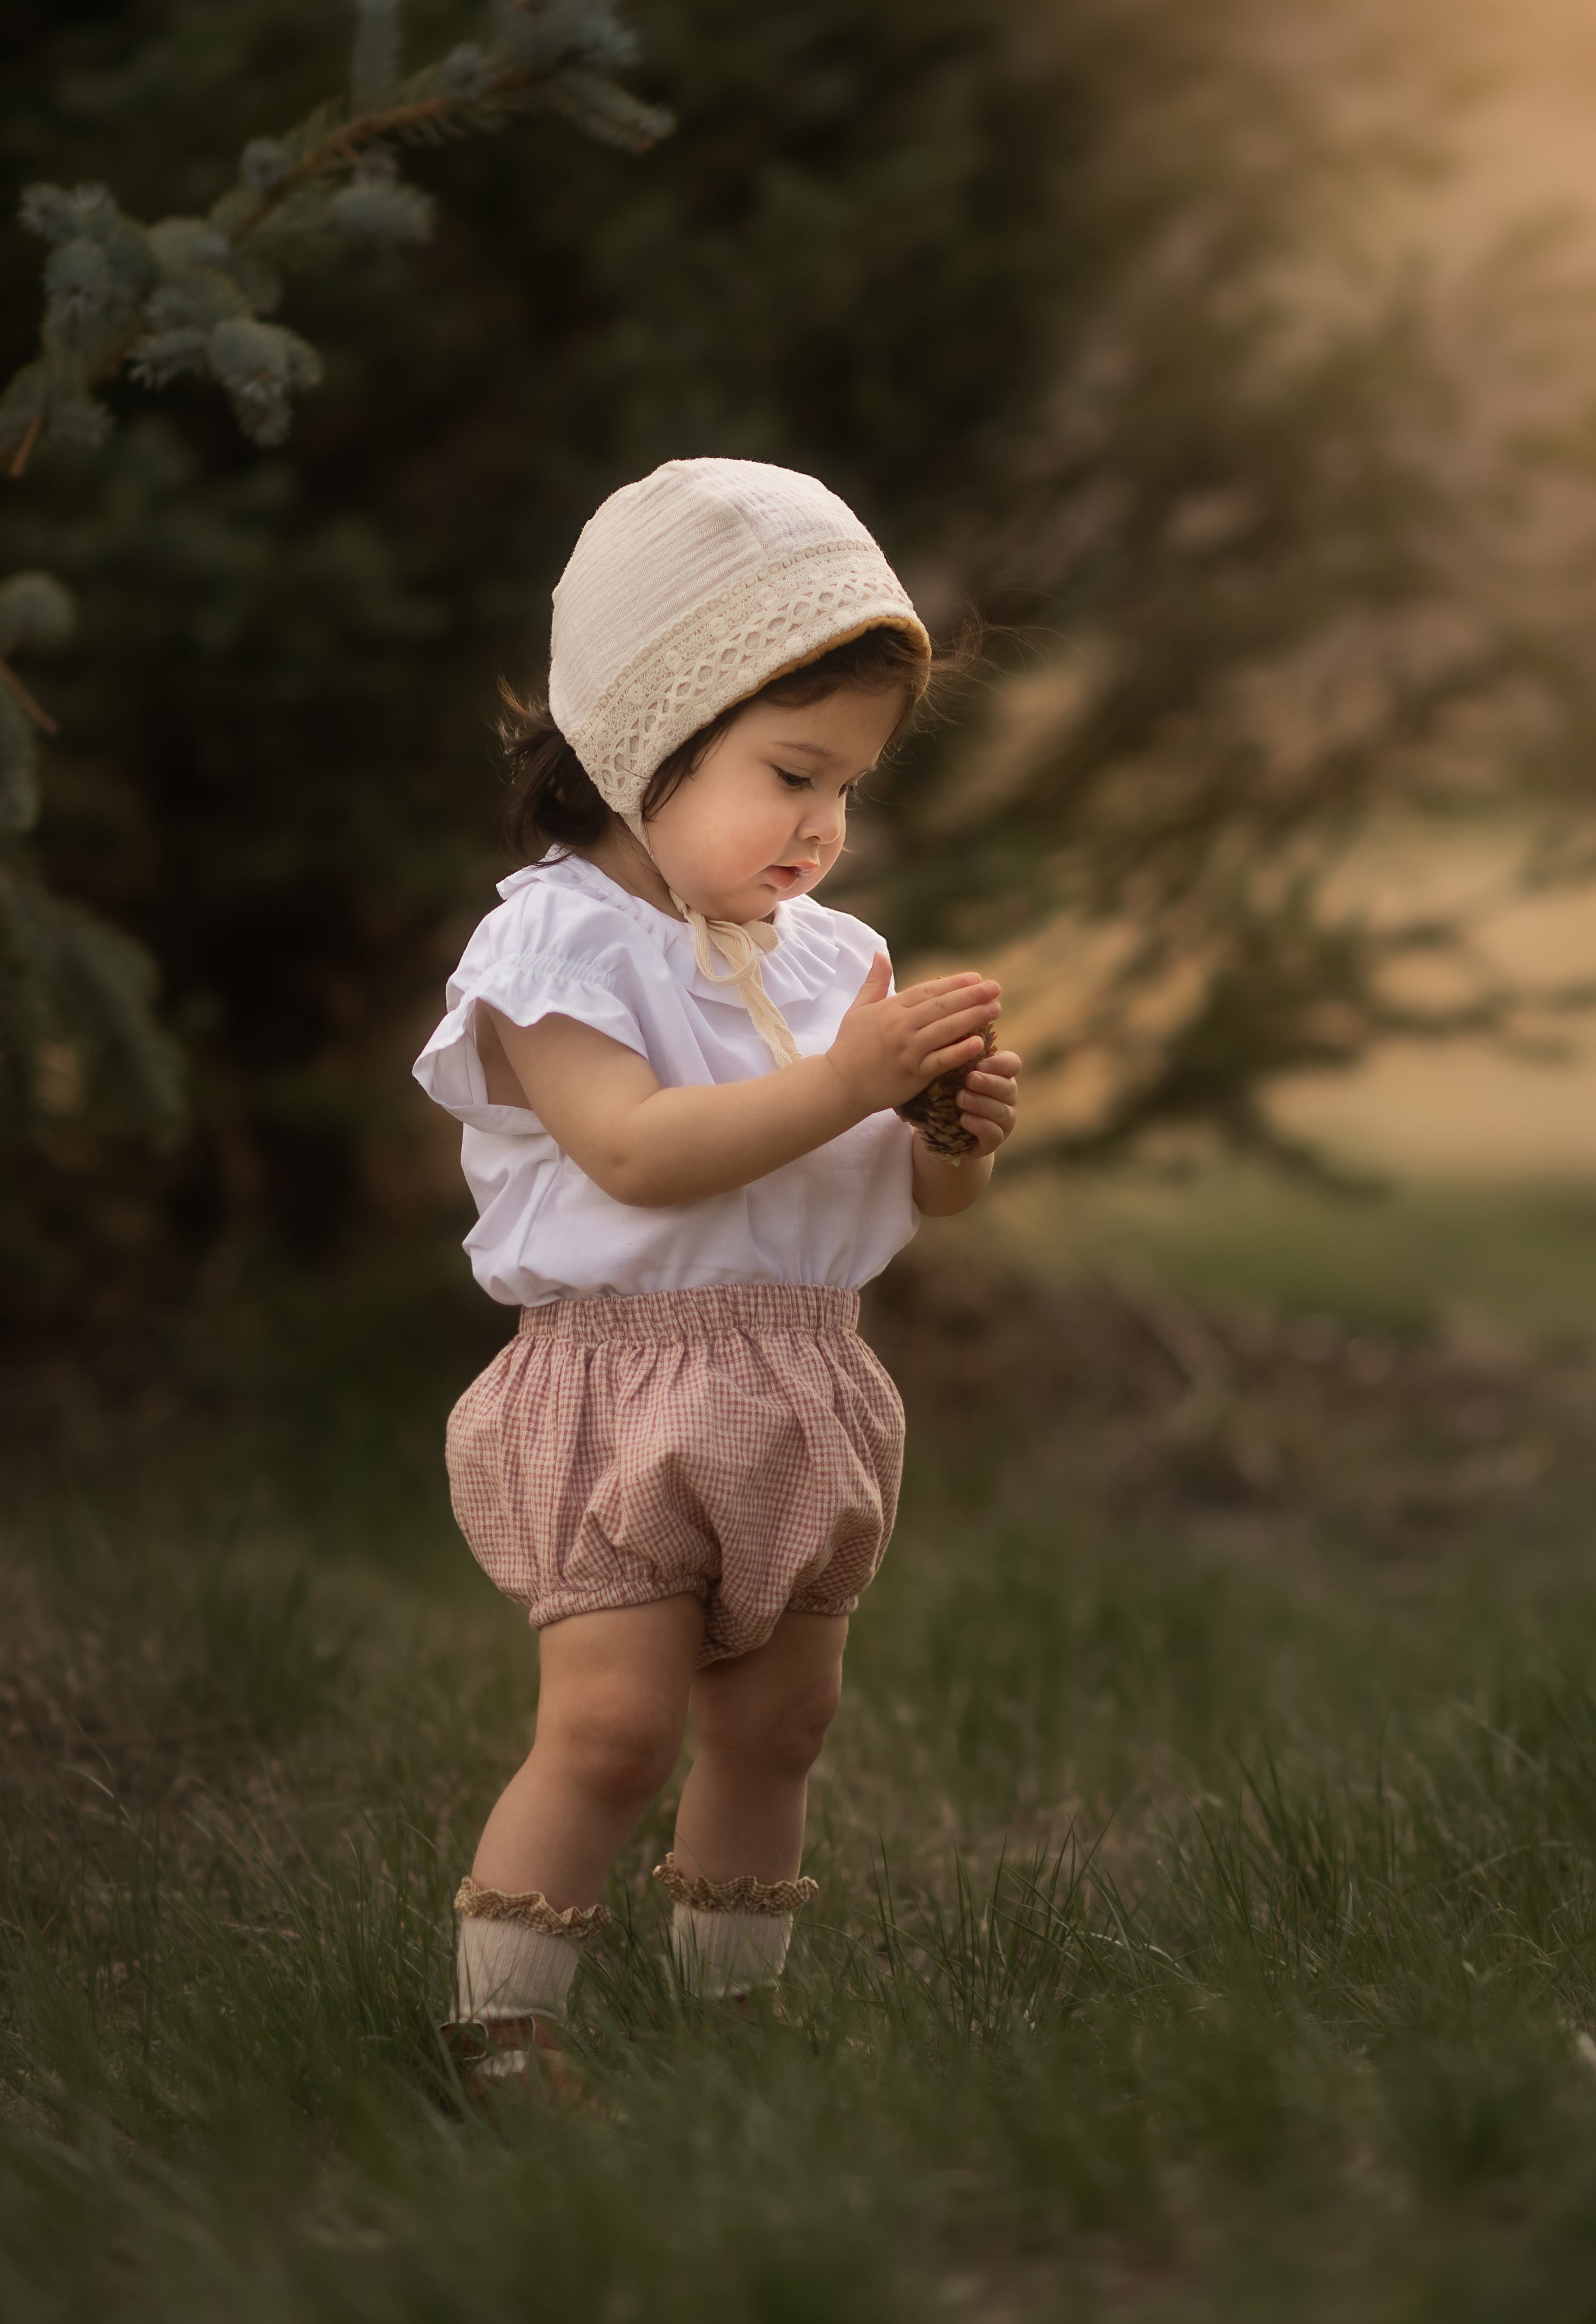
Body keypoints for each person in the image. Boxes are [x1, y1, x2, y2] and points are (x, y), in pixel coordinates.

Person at [412, 458, 1023, 2093]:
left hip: (798, 1377)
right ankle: (504, 2017)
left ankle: (732, 2011)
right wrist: (847, 1079)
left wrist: (947, 1128)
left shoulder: (837, 963)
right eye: (790, 771)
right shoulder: (551, 950)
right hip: (618, 1389)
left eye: (850, 785)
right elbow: (635, 1150)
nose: (824, 824)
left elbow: (905, 1196)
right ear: (638, 738)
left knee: (779, 1721)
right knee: (613, 1728)